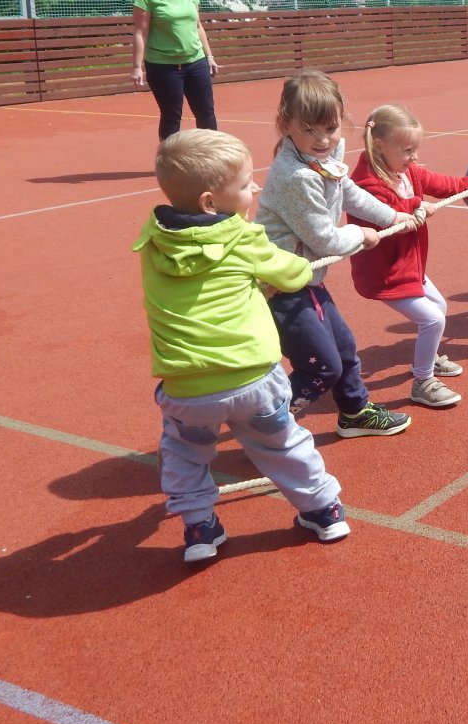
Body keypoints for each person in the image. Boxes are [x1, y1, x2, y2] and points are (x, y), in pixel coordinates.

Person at [133, 129, 351, 563]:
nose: (255, 189)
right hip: (253, 378)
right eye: (246, 183)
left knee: (184, 454)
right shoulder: (242, 237)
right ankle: (323, 511)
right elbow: (294, 274)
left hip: (186, 389)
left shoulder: (152, 241)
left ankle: (200, 527)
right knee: (282, 445)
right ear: (210, 203)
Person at [256, 70, 412, 438]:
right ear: (285, 125)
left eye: (330, 128)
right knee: (321, 366)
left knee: (343, 348)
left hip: (305, 276)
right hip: (282, 283)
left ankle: (354, 412)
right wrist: (361, 233)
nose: (323, 139)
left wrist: (391, 216)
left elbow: (347, 191)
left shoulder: (328, 154)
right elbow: (325, 239)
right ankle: (265, 425)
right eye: (309, 130)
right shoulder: (296, 177)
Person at [348, 105, 468, 409]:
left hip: (409, 264)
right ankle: (422, 382)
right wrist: (416, 205)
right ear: (379, 146)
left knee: (439, 307)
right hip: (385, 273)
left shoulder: (405, 171)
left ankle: (427, 357)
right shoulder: (366, 183)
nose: (414, 157)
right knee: (433, 319)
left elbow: (441, 183)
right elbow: (385, 211)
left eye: (415, 149)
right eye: (408, 150)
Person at [131, 0, 219, 140]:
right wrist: (137, 67)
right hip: (163, 67)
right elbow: (140, 33)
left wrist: (209, 56)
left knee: (206, 112)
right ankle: (168, 156)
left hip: (196, 61)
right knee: (172, 115)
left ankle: (212, 153)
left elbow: (198, 26)